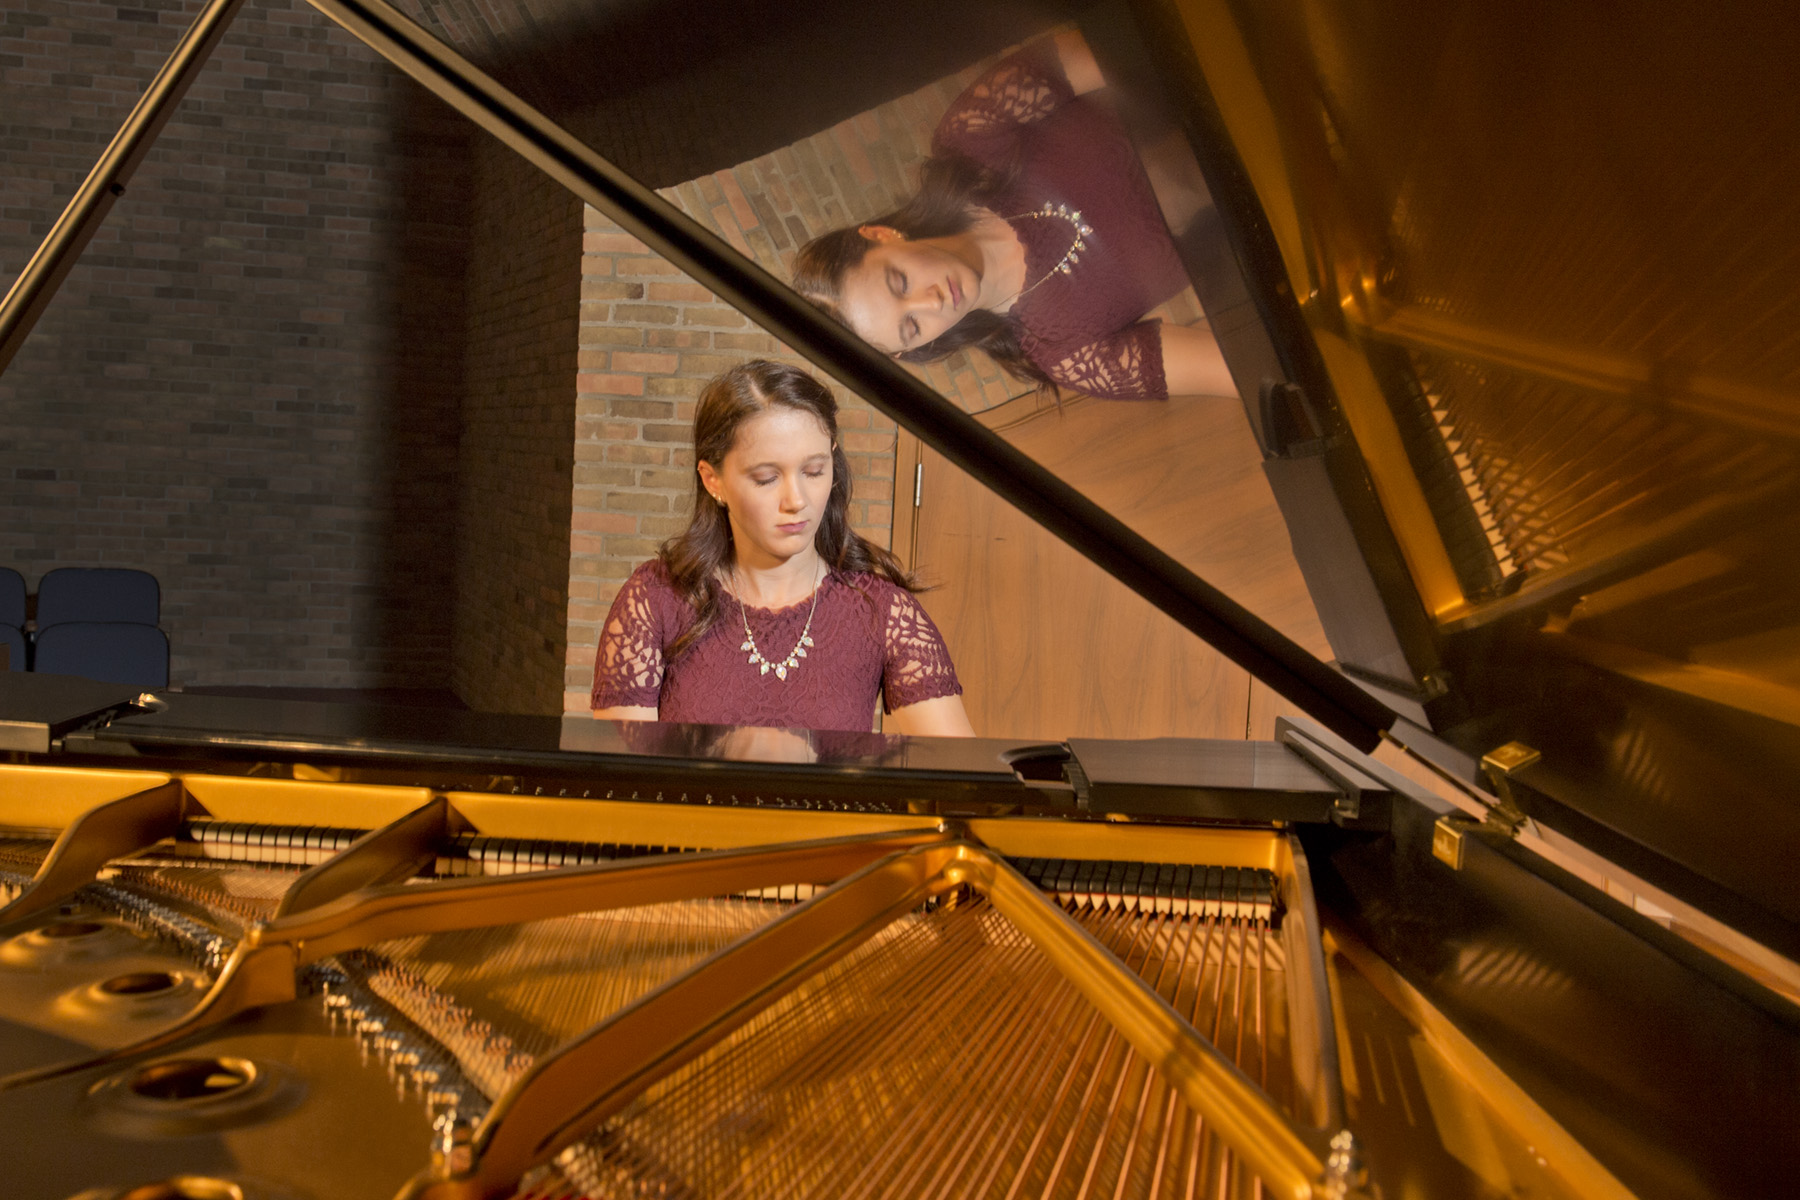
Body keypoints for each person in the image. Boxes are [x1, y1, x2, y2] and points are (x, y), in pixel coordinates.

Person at [792, 30, 1234, 401]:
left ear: (883, 235)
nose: (931, 303)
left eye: (899, 282)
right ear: (912, 350)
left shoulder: (971, 139)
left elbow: (1121, 42)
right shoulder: (1063, 353)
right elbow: (1232, 369)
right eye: (911, 327)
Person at [591, 360, 976, 737]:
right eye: (766, 478)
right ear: (713, 481)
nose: (797, 499)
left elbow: (960, 783)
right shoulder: (656, 599)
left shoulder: (881, 612)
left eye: (814, 471)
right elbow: (621, 783)